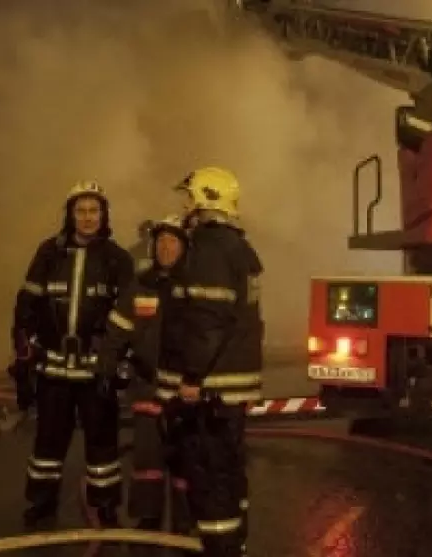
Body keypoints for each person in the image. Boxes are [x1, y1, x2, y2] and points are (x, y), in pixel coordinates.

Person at [10, 180, 135, 528]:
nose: (88, 217)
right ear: (70, 215)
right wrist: (22, 353)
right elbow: (27, 304)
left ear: (104, 215)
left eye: (94, 211)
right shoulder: (48, 253)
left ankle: (105, 505)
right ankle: (41, 502)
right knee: (48, 442)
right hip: (53, 369)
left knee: (102, 444)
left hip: (97, 371)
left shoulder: (117, 259)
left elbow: (130, 315)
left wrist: (119, 361)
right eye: (81, 211)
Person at [173, 166, 264, 557]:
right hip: (233, 384)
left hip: (214, 386)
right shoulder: (238, 247)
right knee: (229, 468)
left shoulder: (209, 249)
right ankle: (235, 539)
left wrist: (193, 377)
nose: (184, 206)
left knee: (210, 473)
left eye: (188, 197)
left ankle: (220, 547)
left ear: (204, 199)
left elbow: (207, 322)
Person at [96, 214, 198, 535]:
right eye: (161, 242)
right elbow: (117, 330)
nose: (165, 248)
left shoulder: (195, 287)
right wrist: (106, 369)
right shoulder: (141, 286)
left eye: (173, 242)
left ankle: (186, 522)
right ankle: (147, 517)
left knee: (185, 460)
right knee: (147, 457)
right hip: (147, 385)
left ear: (185, 247)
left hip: (183, 389)